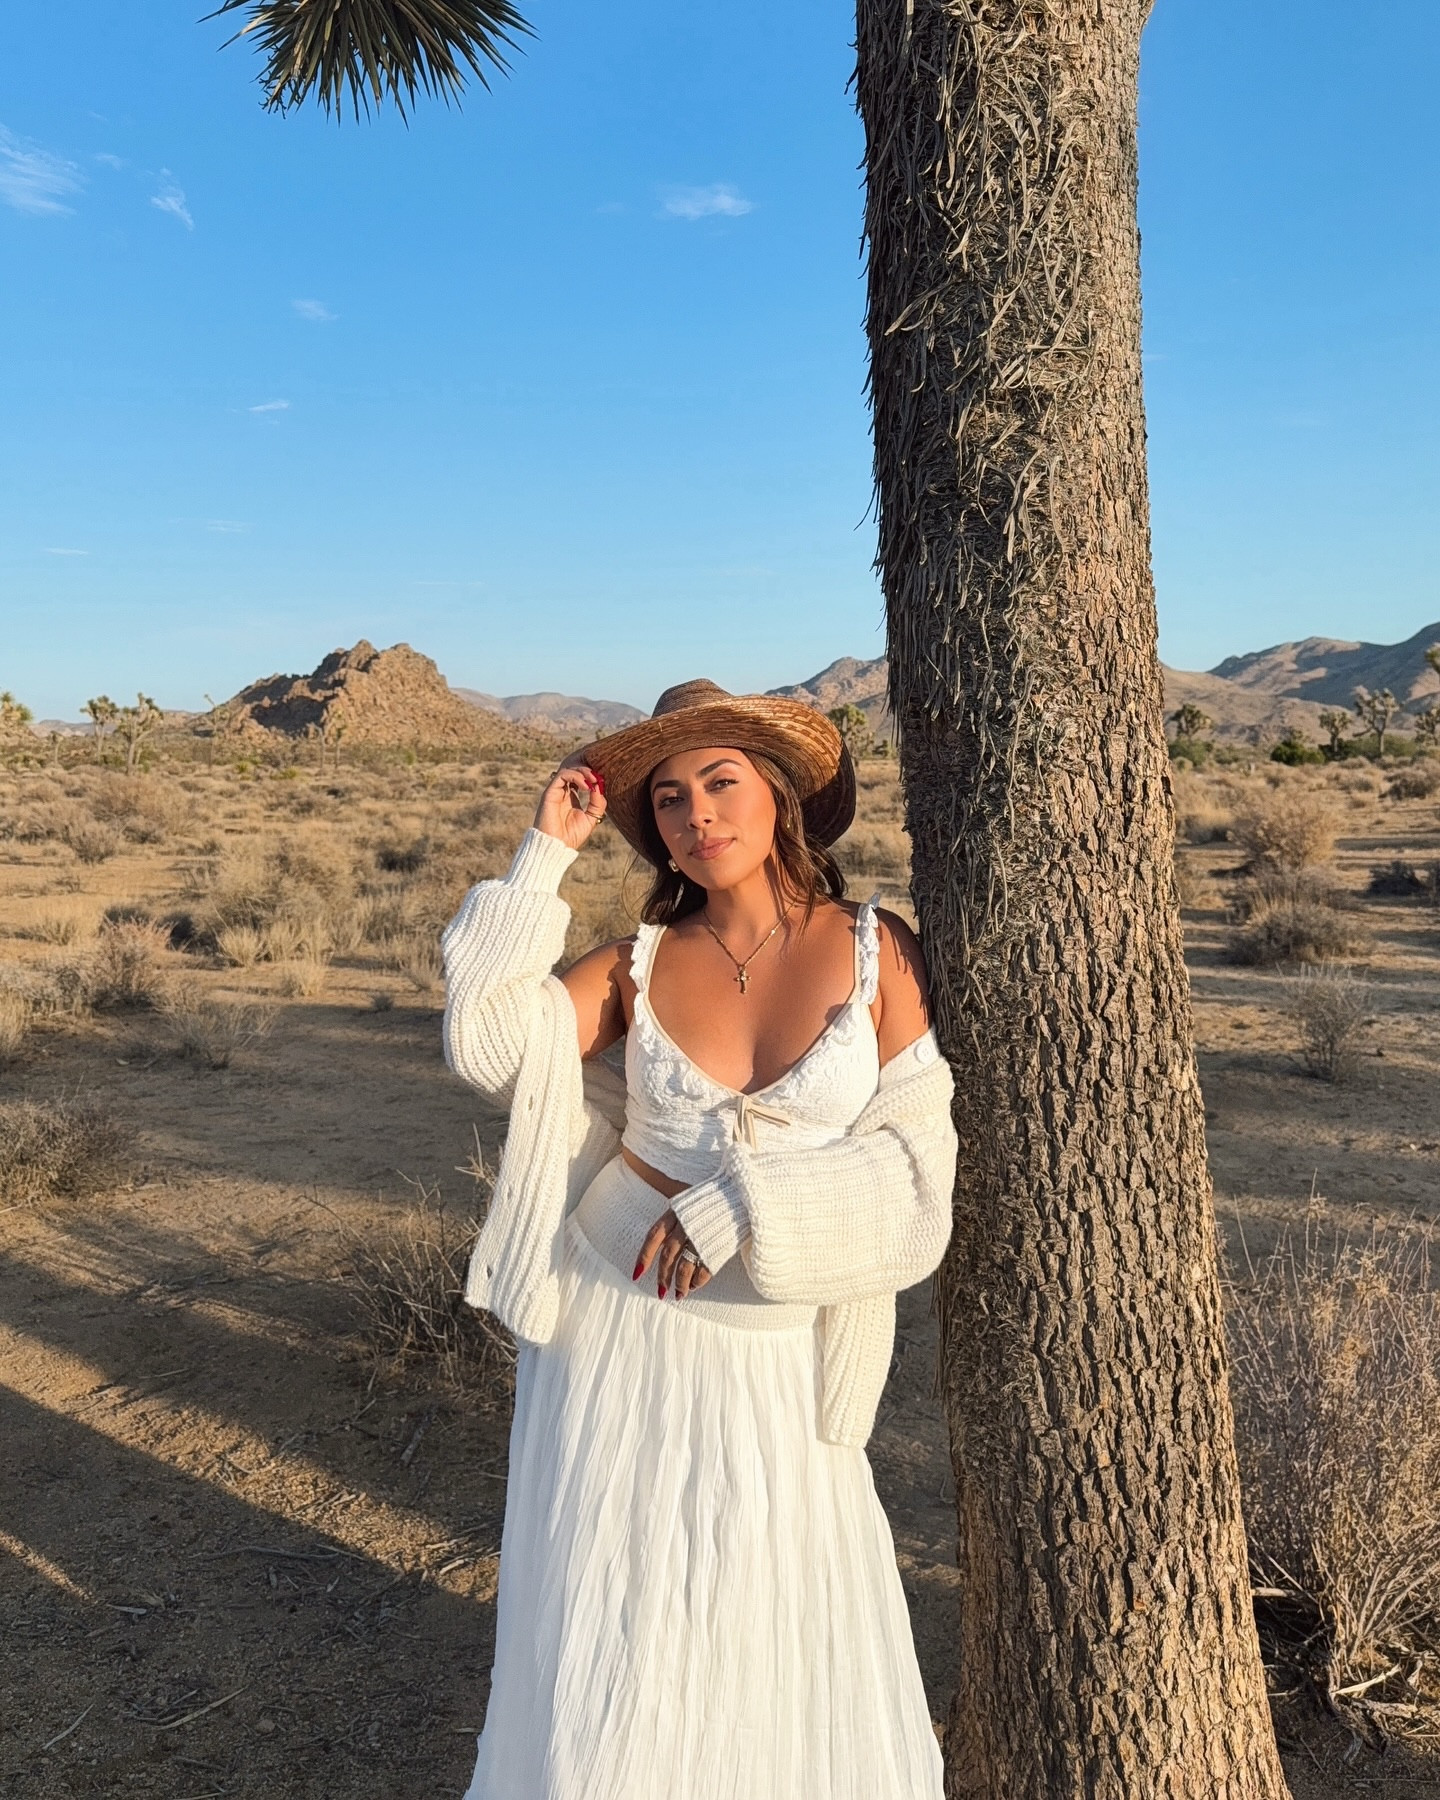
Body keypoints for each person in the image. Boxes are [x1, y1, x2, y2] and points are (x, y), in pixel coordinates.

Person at [442, 678, 958, 1800]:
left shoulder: (879, 953)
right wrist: (543, 854)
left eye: (721, 782)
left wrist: (746, 1204)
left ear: (779, 796)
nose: (696, 814)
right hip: (614, 1328)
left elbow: (921, 1180)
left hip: (778, 1357)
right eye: (669, 798)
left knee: (773, 1617)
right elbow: (484, 1045)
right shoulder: (634, 964)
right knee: (620, 1617)